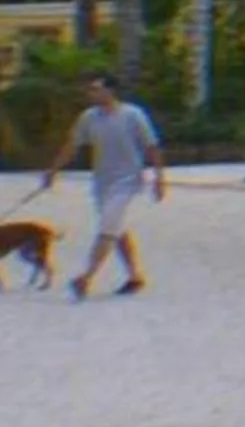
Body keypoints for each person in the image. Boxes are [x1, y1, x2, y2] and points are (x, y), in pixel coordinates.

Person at [43, 73, 165, 298]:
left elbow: (151, 146)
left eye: (96, 89)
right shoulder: (88, 117)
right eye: (90, 89)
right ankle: (134, 276)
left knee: (108, 228)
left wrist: (159, 177)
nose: (91, 93)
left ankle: (87, 276)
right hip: (102, 182)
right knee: (115, 230)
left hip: (127, 180)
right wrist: (53, 169)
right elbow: (72, 144)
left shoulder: (133, 115)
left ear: (111, 91)